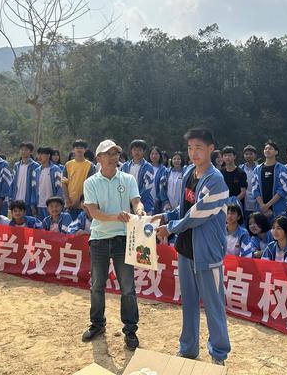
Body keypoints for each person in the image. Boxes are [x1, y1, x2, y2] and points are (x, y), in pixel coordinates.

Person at [155, 128, 230, 365]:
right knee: (188, 302)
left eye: (198, 148)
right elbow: (182, 209)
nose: (193, 153)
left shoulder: (215, 180)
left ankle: (218, 354)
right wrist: (164, 217)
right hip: (186, 248)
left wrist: (171, 228)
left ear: (211, 149)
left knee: (213, 304)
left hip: (207, 252)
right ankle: (188, 349)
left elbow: (197, 215)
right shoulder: (189, 172)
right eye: (190, 148)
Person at [81, 139, 146, 352]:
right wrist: (115, 217)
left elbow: (136, 200)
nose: (114, 157)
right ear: (99, 158)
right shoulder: (91, 183)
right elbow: (94, 212)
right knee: (97, 285)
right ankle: (98, 324)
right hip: (99, 239)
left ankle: (130, 330)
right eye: (108, 154)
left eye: (116, 153)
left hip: (123, 240)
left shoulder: (127, 179)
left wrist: (139, 211)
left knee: (127, 287)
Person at [251, 141, 287, 222]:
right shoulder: (257, 169)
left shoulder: (282, 168)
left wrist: (268, 205)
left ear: (276, 152)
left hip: (278, 209)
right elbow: (255, 189)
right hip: (260, 209)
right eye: (266, 149)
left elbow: (284, 189)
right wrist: (262, 205)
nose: (267, 150)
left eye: (270, 149)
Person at [63, 140, 96, 219]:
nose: (79, 149)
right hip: (69, 204)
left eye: (81, 148)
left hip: (84, 204)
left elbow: (90, 185)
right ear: (73, 150)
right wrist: (67, 200)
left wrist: (78, 200)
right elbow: (64, 183)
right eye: (77, 147)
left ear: (85, 150)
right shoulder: (68, 164)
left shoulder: (90, 166)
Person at [120, 139, 154, 214]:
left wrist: (135, 200)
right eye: (134, 149)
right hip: (127, 206)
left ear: (144, 151)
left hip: (145, 205)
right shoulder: (125, 166)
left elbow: (147, 188)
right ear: (131, 151)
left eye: (139, 150)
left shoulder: (148, 167)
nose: (136, 152)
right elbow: (121, 183)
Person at [31, 146, 63, 221]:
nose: (39, 157)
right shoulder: (36, 171)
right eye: (38, 154)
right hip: (39, 205)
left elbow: (60, 188)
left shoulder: (56, 169)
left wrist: (58, 204)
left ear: (48, 155)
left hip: (52, 207)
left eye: (42, 154)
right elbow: (33, 189)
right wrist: (33, 204)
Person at [9, 141, 39, 217]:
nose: (23, 152)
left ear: (30, 152)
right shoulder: (16, 165)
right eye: (22, 149)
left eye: (26, 150)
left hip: (28, 201)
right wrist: (11, 198)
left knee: (28, 224)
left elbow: (35, 186)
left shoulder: (35, 166)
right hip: (16, 199)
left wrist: (33, 202)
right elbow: (13, 182)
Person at [239, 145, 258, 220]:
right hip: (244, 200)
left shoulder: (260, 168)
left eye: (251, 154)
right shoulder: (240, 168)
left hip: (257, 200)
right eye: (246, 154)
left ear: (255, 155)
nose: (248, 156)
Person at [147, 146, 168, 213]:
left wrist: (157, 198)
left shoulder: (164, 170)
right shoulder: (145, 167)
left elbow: (163, 187)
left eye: (156, 154)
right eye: (152, 154)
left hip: (157, 201)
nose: (154, 156)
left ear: (159, 155)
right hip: (145, 200)